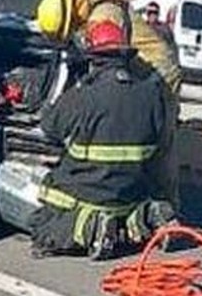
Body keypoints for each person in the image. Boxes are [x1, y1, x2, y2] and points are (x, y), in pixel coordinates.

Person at [31, 19, 175, 259]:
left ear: (94, 58)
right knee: (135, 194)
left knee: (45, 211)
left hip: (88, 190)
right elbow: (161, 145)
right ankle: (147, 216)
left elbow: (50, 126)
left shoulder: (85, 94)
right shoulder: (151, 93)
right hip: (130, 190)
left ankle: (91, 228)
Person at [35, 0, 182, 209]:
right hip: (140, 74)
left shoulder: (103, 18)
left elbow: (110, 68)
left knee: (159, 147)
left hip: (159, 77)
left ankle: (167, 213)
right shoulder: (92, 8)